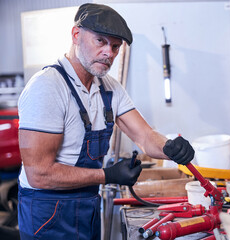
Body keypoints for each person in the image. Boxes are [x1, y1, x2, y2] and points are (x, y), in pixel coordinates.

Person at [17, 3, 194, 240]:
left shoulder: (109, 88)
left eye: (115, 46)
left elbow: (145, 136)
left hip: (86, 206)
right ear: (76, 35)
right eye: (100, 41)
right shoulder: (47, 87)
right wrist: (107, 175)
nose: (109, 53)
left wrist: (170, 147)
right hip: (48, 214)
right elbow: (38, 173)